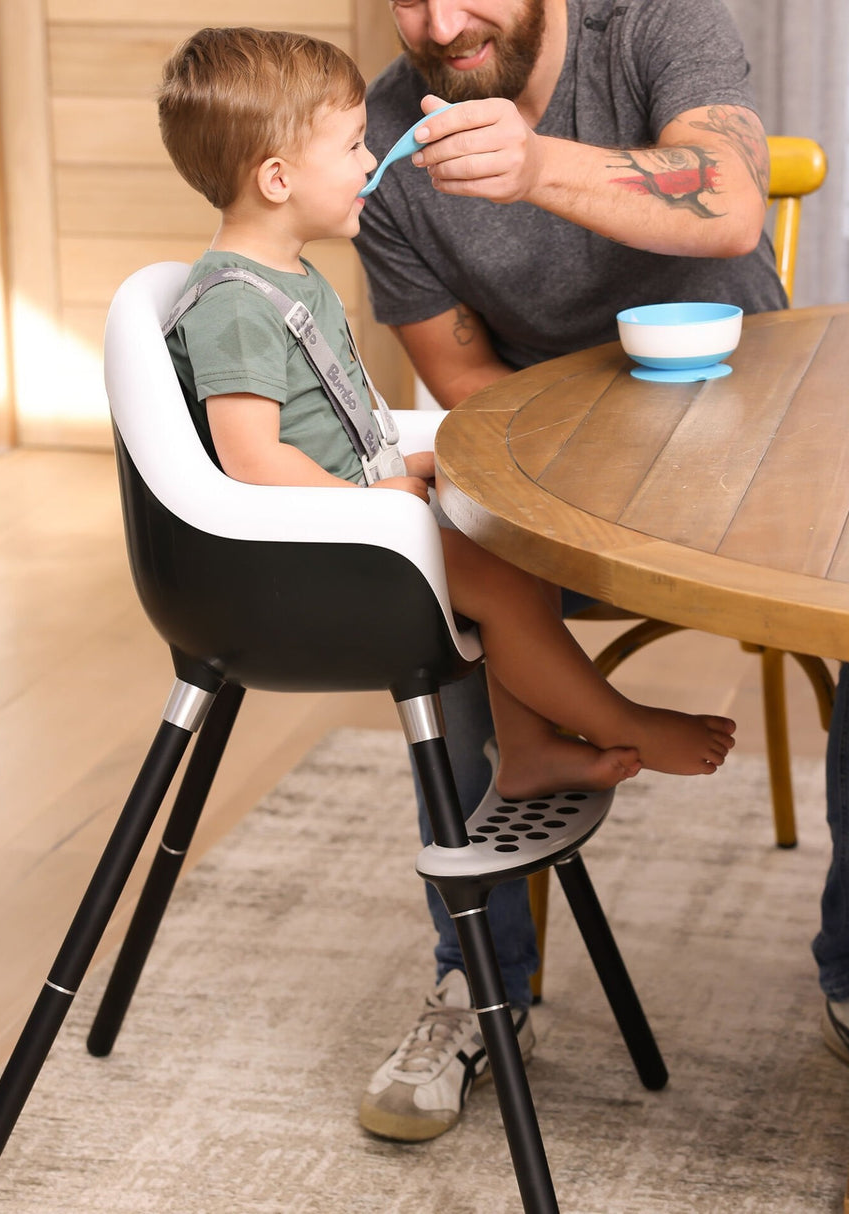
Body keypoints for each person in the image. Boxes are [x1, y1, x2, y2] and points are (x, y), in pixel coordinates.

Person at [352, 0, 849, 1140]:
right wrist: (587, 488)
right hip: (567, 494)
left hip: (774, 462)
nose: (439, 22)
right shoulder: (385, 128)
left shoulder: (655, 28)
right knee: (425, 593)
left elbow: (728, 204)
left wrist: (533, 167)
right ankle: (478, 978)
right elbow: (458, 374)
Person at [156, 29, 738, 812]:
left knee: (507, 550)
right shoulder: (234, 304)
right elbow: (253, 462)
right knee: (497, 576)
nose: (373, 163)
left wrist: (399, 472)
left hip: (355, 518)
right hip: (310, 561)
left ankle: (527, 750)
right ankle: (621, 723)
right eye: (355, 147)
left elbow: (322, 425)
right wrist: (376, 501)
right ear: (277, 178)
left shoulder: (287, 277)